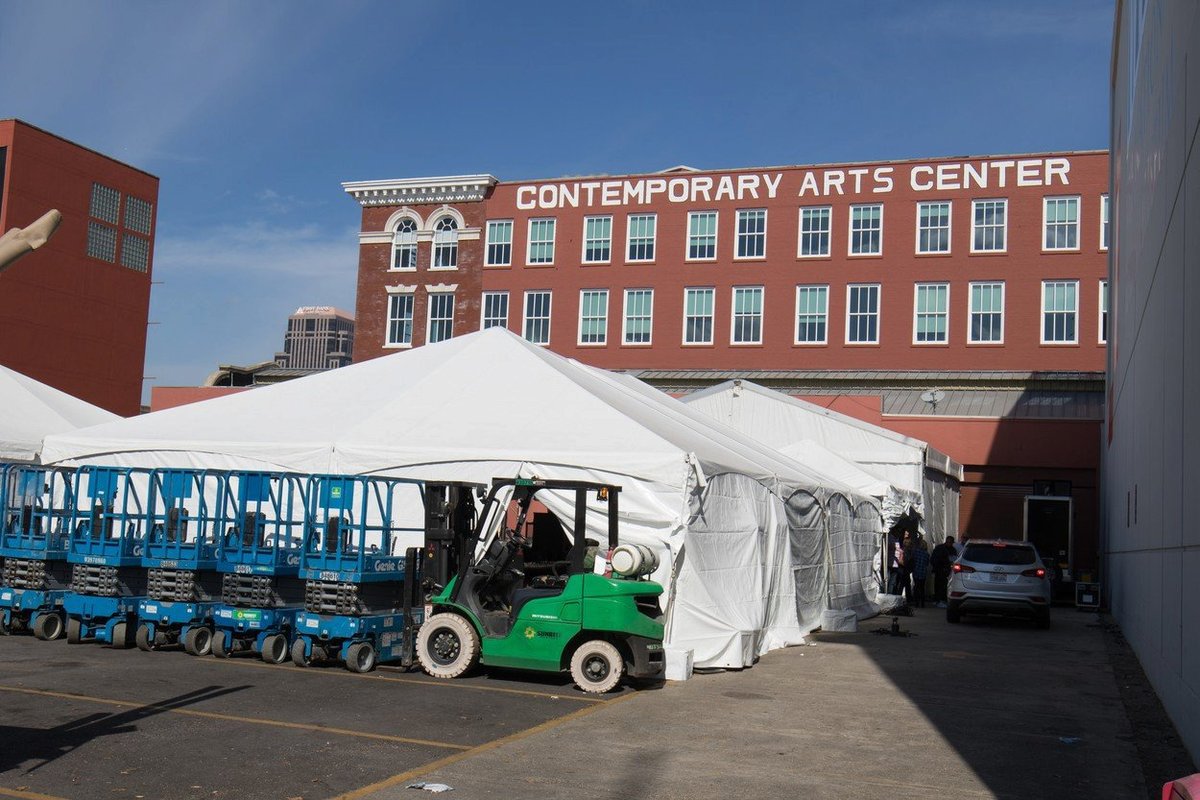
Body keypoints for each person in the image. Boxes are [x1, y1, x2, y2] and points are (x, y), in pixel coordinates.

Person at [930, 535, 956, 607]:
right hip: (940, 570)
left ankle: (939, 600)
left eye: (951, 543)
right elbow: (934, 559)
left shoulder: (952, 549)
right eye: (949, 542)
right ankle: (939, 600)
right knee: (940, 585)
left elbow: (954, 560)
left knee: (943, 585)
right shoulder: (940, 548)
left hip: (946, 571)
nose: (950, 544)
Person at [910, 536, 931, 608]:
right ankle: (922, 603)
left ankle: (916, 602)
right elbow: (927, 563)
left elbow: (913, 560)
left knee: (916, 587)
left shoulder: (916, 552)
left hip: (916, 571)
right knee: (922, 588)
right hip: (923, 572)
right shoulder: (927, 554)